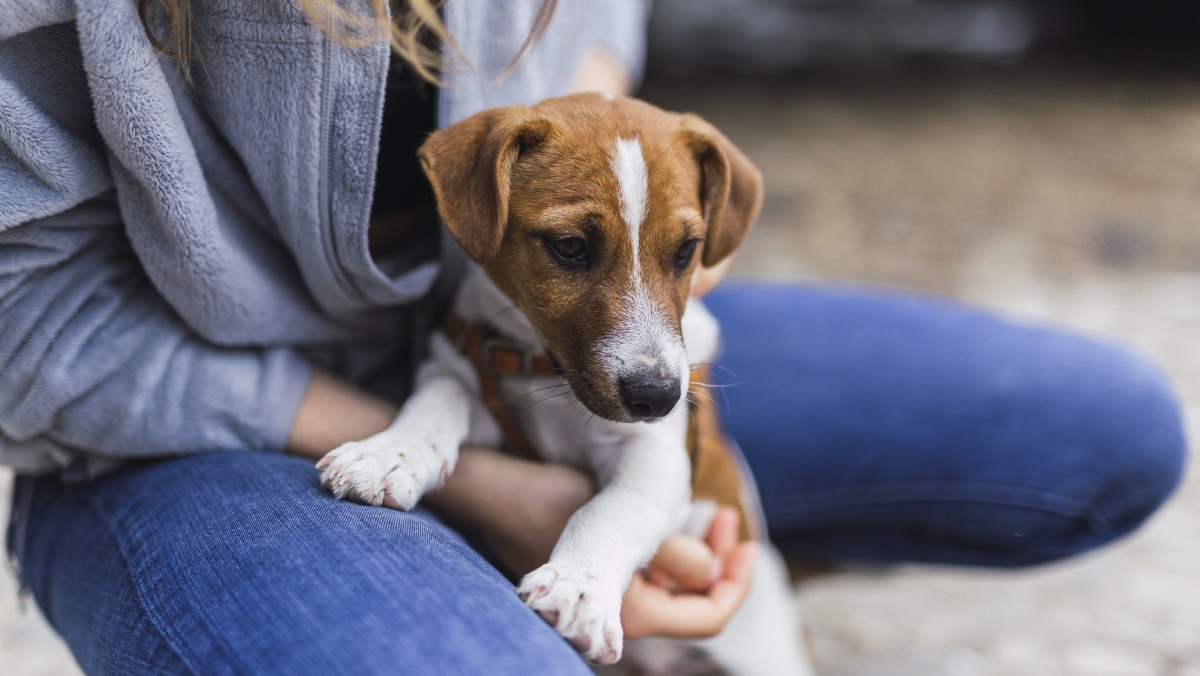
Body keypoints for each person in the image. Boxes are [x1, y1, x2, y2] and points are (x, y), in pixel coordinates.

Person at [1, 1, 1186, 673]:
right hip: (183, 420)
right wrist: (485, 489)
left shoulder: (622, 270)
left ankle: (716, 559)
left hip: (566, 392)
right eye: (568, 243)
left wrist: (628, 160)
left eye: (684, 251)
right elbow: (22, 328)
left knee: (1101, 428)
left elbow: (601, 29)